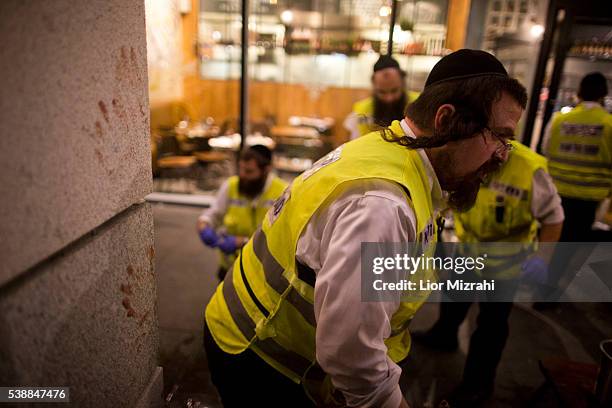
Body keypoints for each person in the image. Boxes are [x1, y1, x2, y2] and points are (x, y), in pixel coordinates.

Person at [203, 49, 528, 408]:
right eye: (498, 136)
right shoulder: (382, 206)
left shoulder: (390, 148)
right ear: (446, 120)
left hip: (254, 339)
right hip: (262, 363)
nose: (503, 155)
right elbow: (351, 357)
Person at [414, 140, 564, 406]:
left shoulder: (529, 170)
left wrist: (543, 258)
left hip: (506, 266)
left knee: (491, 328)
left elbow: (554, 217)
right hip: (468, 253)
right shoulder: (467, 157)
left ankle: (478, 385)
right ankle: (443, 336)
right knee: (453, 300)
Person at [196, 145, 287, 280]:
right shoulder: (231, 185)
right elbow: (213, 213)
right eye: (241, 169)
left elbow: (283, 239)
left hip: (262, 273)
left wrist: (243, 242)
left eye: (249, 171)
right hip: (230, 268)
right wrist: (204, 225)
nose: (243, 175)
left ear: (266, 170)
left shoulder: (282, 192)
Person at [542, 71, 612, 242]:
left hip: (557, 190)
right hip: (591, 196)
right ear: (604, 94)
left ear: (579, 92)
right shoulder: (609, 124)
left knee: (552, 235)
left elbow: (545, 149)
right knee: (574, 240)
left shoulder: (559, 120)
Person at [344, 55, 420, 140]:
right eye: (382, 92)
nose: (389, 98)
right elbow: (355, 143)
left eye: (394, 91)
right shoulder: (362, 111)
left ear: (403, 83)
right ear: (374, 86)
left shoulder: (419, 103)